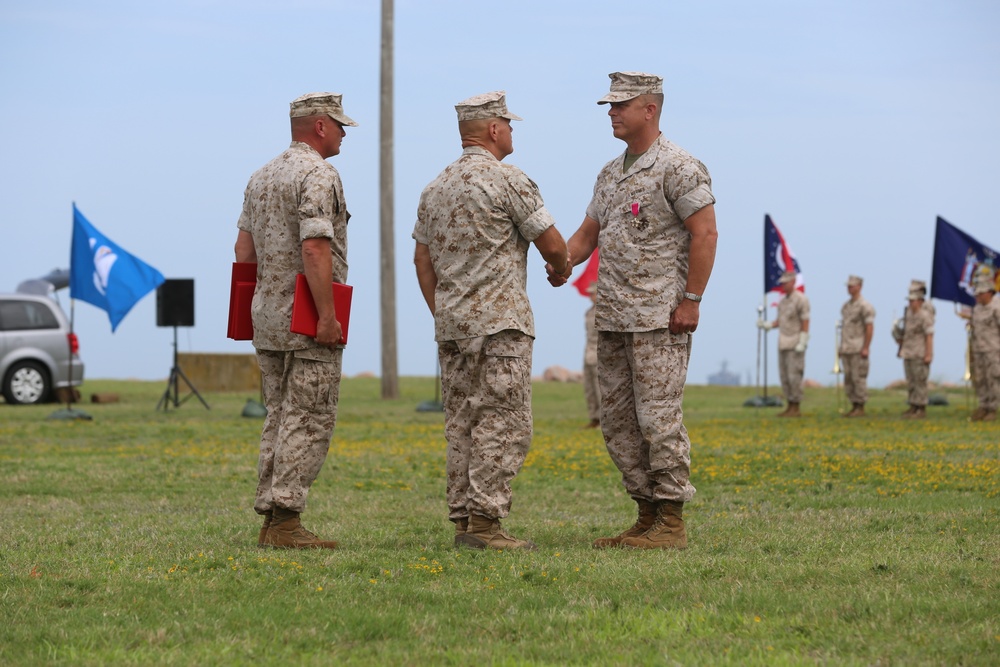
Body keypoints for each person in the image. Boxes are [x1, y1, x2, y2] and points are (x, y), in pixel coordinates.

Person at [549, 72, 718, 550]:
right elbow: (587, 235)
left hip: (660, 319)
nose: (612, 113)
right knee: (619, 422)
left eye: (622, 105)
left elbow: (705, 234)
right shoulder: (610, 172)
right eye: (609, 105)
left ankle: (672, 520)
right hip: (614, 316)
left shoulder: (679, 166)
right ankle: (646, 513)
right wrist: (562, 263)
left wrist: (692, 300)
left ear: (651, 109)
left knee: (659, 418)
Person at [413, 91, 570, 551]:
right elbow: (553, 244)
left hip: (453, 325)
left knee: (461, 421)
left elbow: (422, 260)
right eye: (510, 125)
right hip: (501, 324)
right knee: (502, 421)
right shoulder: (508, 180)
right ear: (495, 130)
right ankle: (486, 523)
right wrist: (561, 270)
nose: (512, 132)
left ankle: (464, 519)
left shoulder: (435, 187)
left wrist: (443, 308)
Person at [234, 92, 358, 549]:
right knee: (309, 417)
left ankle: (271, 518)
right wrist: (327, 316)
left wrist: (249, 309)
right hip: (305, 317)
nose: (345, 133)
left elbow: (243, 252)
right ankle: (286, 521)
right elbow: (315, 248)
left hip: (266, 315)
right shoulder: (318, 175)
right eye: (340, 125)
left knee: (278, 415)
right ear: (320, 126)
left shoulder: (261, 176)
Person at [758, 271, 810, 417]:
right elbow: (780, 321)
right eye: (782, 283)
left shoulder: (801, 299)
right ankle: (789, 405)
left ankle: (796, 406)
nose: (783, 285)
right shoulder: (783, 301)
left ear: (793, 282)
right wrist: (767, 325)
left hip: (795, 342)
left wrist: (803, 340)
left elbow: (805, 320)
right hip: (783, 342)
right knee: (785, 376)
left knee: (795, 376)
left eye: (785, 282)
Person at [893, 280, 934, 419]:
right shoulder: (909, 313)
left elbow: (929, 335)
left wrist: (928, 354)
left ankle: (921, 408)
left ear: (920, 301)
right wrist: (900, 346)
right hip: (908, 351)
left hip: (920, 352)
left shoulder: (925, 315)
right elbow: (906, 333)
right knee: (911, 381)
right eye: (910, 300)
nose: (911, 303)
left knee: (920, 381)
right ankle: (913, 406)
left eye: (913, 300)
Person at [839, 275, 875, 417]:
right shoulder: (846, 306)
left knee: (858, 377)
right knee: (849, 378)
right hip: (847, 347)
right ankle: (853, 405)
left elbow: (869, 327)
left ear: (860, 286)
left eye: (852, 286)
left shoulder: (865, 306)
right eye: (848, 286)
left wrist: (866, 346)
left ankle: (860, 406)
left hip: (858, 347)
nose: (850, 288)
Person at [968, 270, 1000, 421]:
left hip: (994, 350)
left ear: (989, 292)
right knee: (980, 379)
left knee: (993, 379)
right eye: (977, 293)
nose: (978, 296)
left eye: (981, 293)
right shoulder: (977, 308)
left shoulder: (997, 306)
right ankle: (983, 406)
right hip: (979, 349)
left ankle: (993, 409)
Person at [582, 284, 601, 428]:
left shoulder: (602, 311)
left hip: (598, 351)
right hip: (588, 351)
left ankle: (603, 419)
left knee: (599, 387)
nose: (590, 296)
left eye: (593, 293)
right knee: (589, 388)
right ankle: (594, 418)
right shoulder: (589, 312)